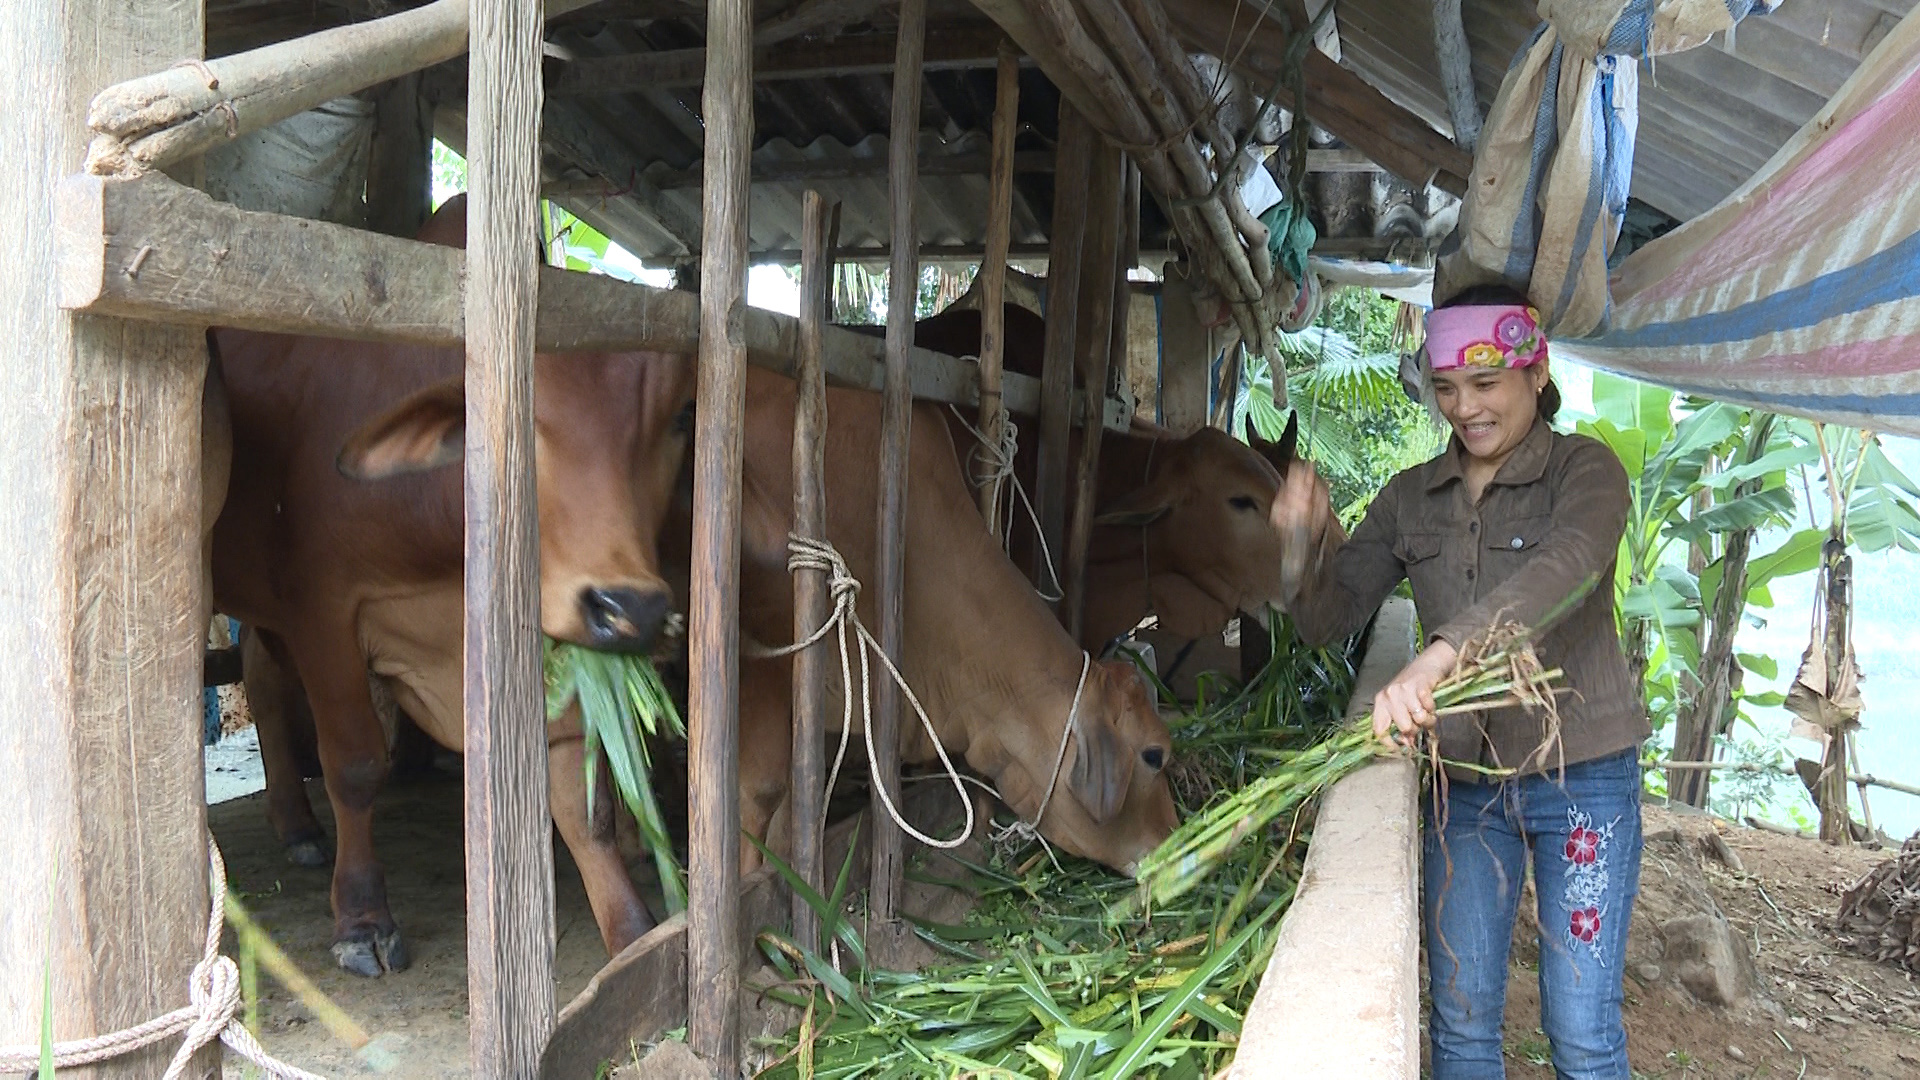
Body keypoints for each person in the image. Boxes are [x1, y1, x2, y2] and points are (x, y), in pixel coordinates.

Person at [1272, 284, 1649, 1079]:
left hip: (1581, 778)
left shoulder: (1587, 473)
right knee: (1462, 1026)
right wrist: (1298, 548)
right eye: (1446, 388)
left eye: (1485, 385)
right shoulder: (1413, 495)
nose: (1463, 408)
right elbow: (1326, 619)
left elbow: (1564, 573)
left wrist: (1439, 655)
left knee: (1581, 1030)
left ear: (1535, 374)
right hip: (1465, 788)